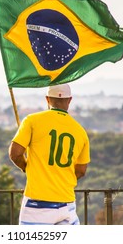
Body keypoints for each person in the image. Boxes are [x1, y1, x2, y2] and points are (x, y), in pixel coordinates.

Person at [9, 83, 90, 225]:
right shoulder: (80, 131)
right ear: (70, 100)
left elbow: (15, 154)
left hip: (37, 205)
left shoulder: (32, 121)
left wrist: (26, 167)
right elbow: (81, 170)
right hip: (67, 203)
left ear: (47, 99)